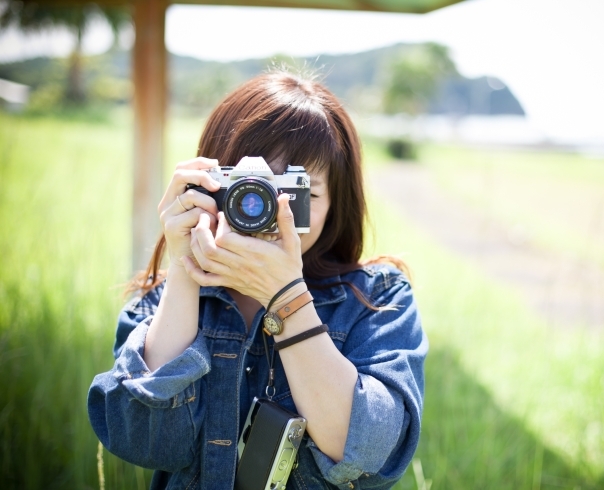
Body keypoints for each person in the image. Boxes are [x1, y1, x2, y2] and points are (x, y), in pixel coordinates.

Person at [87, 71, 427, 490]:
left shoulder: (376, 298)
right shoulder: (164, 299)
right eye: (246, 188)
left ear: (337, 204)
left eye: (296, 192)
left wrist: (287, 299)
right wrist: (185, 269)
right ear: (207, 184)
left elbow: (372, 458)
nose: (265, 208)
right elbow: (141, 441)